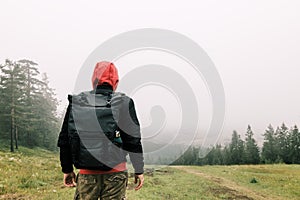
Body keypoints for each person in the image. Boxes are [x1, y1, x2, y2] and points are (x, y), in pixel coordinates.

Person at [57, 61, 144, 200]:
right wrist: (139, 169)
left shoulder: (78, 101)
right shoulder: (123, 102)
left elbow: (65, 138)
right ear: (115, 81)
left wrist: (67, 169)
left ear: (94, 79)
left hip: (87, 174)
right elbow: (133, 140)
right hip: (116, 174)